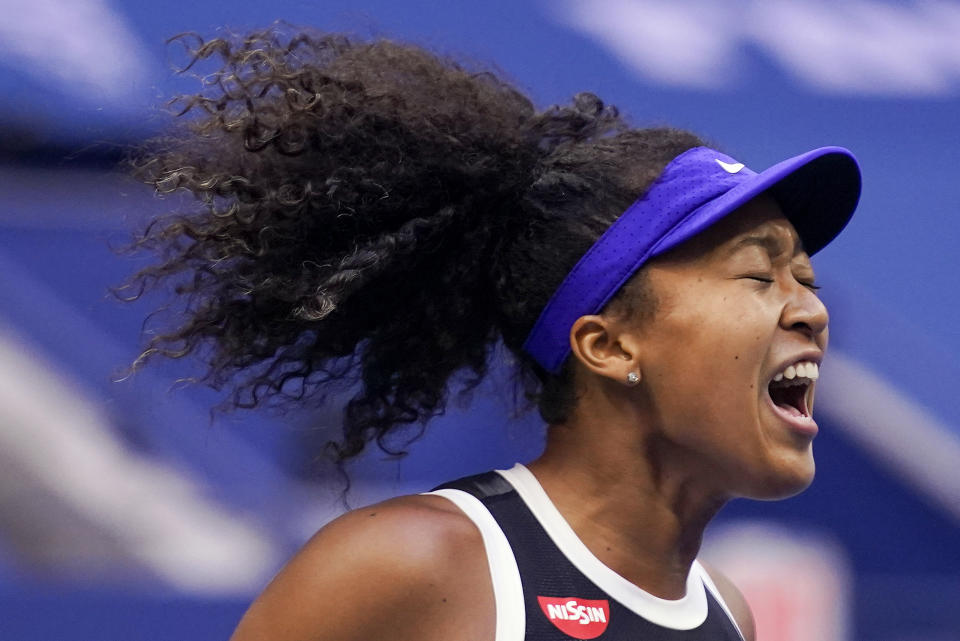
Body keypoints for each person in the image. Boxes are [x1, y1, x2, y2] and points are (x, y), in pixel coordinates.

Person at [123, 27, 861, 641]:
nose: (810, 310)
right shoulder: (413, 565)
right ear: (608, 346)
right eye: (760, 278)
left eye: (807, 279)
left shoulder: (728, 614)